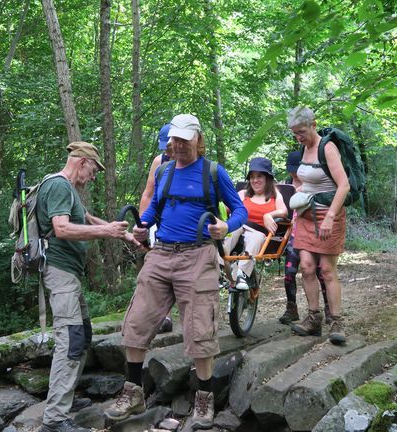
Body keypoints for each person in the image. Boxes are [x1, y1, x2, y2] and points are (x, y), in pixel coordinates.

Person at [104, 114, 247, 430]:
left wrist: (227, 225)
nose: (177, 145)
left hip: (198, 255)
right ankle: (133, 391)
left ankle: (204, 398)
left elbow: (241, 209)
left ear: (198, 139)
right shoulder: (165, 170)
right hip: (161, 254)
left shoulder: (213, 172)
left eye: (184, 139)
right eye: (173, 140)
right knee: (136, 321)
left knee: (200, 330)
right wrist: (143, 226)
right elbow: (155, 207)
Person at [37, 141, 140, 432]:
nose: (94, 176)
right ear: (82, 162)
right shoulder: (58, 186)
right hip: (60, 274)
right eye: (94, 169)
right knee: (70, 340)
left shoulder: (69, 190)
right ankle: (55, 419)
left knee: (82, 336)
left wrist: (121, 234)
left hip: (69, 274)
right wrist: (105, 231)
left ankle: (63, 402)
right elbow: (62, 228)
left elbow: (84, 218)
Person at [287, 106, 350, 345]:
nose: (298, 137)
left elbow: (343, 185)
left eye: (301, 132)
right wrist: (297, 194)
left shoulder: (328, 147)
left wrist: (331, 216)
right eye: (294, 134)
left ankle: (335, 320)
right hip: (306, 216)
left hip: (328, 217)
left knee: (326, 269)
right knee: (306, 266)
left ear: (313, 124)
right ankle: (313, 318)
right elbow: (310, 183)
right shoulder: (304, 148)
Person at [279, 151, 330, 325]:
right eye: (291, 170)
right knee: (289, 272)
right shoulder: (285, 185)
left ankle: (328, 308)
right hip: (293, 234)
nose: (293, 173)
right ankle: (291, 307)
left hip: (311, 233)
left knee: (319, 272)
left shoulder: (312, 183)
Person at [224, 157, 288, 290]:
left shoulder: (274, 195)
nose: (255, 180)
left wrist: (269, 214)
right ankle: (219, 267)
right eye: (252, 177)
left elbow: (284, 211)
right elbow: (226, 210)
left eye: (259, 176)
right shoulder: (243, 194)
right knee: (231, 231)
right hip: (239, 226)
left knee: (256, 237)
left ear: (267, 178)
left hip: (258, 232)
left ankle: (242, 274)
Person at [139, 123, 174, 334]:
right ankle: (161, 315)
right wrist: (143, 223)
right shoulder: (159, 161)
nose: (167, 152)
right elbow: (148, 193)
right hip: (159, 218)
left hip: (183, 226)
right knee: (153, 263)